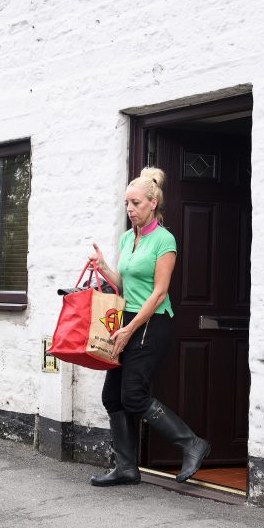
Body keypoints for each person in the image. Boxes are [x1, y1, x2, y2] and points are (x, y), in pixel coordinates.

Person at [88, 166, 210, 487]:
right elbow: (124, 286)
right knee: (112, 396)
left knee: (133, 396)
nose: (130, 209)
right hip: (125, 320)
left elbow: (158, 293)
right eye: (126, 203)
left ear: (152, 203)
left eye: (136, 203)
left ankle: (191, 443)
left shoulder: (164, 240)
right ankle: (126, 467)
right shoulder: (127, 238)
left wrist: (130, 330)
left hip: (151, 324)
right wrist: (104, 269)